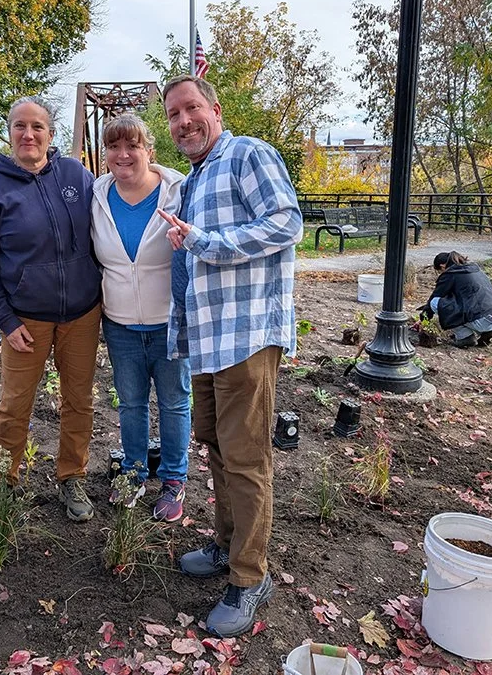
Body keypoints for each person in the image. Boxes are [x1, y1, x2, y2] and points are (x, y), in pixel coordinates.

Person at [156, 75, 303, 637]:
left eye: (191, 108)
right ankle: (226, 544)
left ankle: (249, 576)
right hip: (208, 339)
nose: (183, 121)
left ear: (215, 110)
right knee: (217, 445)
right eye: (173, 115)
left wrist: (206, 243)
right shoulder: (195, 178)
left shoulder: (246, 154)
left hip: (245, 337)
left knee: (245, 457)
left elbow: (286, 222)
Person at [0, 95, 102, 523]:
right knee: (14, 402)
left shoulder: (77, 176)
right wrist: (5, 321)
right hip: (25, 319)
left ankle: (72, 476)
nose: (28, 134)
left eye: (37, 126)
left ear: (50, 133)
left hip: (81, 313)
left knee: (78, 400)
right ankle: (2, 480)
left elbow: (117, 207)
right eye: (20, 126)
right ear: (10, 133)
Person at [90, 114, 192, 522]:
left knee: (173, 402)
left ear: (150, 150)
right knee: (131, 403)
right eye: (114, 146)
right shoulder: (96, 196)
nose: (123, 155)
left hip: (169, 322)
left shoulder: (179, 192)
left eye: (132, 146)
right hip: (120, 325)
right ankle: (133, 473)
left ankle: (173, 479)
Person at [422, 251, 492, 348]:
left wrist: (424, 318)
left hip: (483, 320)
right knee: (473, 307)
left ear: (442, 266)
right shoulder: (475, 269)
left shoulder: (450, 274)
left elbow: (436, 296)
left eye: (439, 271)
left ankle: (465, 337)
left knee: (435, 303)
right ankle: (487, 333)